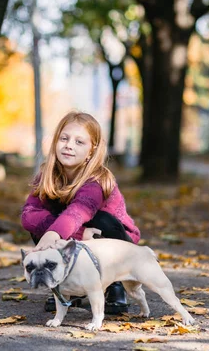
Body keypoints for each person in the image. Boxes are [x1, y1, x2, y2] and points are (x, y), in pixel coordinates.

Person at [20, 111, 140, 314]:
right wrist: (76, 236)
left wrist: (53, 234)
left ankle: (115, 284)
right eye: (64, 138)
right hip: (81, 236)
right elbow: (28, 213)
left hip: (116, 240)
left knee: (101, 220)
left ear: (92, 151)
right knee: (41, 221)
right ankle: (68, 284)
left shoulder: (98, 180)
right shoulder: (47, 176)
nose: (69, 145)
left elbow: (78, 211)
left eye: (79, 142)